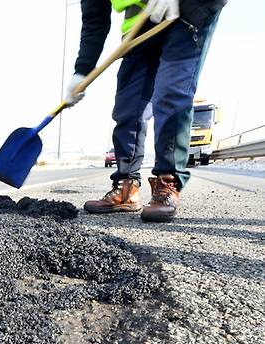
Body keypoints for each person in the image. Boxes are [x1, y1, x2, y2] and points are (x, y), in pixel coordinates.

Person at [65, 0, 226, 222]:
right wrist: (81, 71)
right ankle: (126, 186)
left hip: (188, 11)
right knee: (128, 106)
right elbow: (95, 18)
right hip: (139, 27)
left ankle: (167, 180)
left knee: (171, 93)